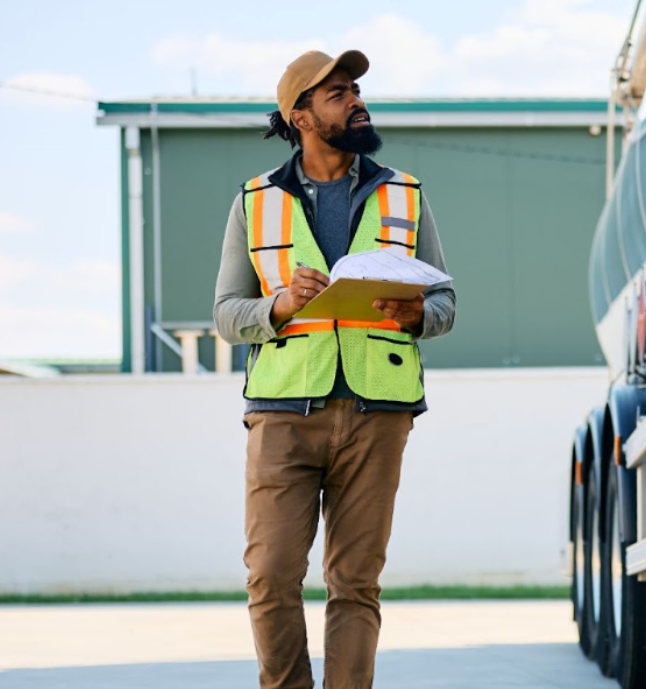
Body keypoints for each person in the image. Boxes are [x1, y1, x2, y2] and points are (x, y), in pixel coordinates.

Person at [212, 48, 456, 689]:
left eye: (356, 91)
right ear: (301, 116)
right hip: (283, 412)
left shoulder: (404, 193)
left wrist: (415, 317)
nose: (357, 102)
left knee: (354, 583)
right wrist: (279, 305)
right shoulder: (255, 200)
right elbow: (225, 314)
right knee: (270, 576)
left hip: (379, 411)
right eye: (338, 93)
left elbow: (445, 301)